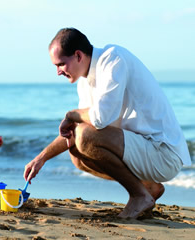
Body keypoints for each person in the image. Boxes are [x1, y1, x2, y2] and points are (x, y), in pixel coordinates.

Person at [23, 28, 191, 219]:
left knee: (86, 136)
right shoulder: (84, 82)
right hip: (142, 150)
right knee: (76, 153)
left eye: (61, 64)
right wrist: (41, 158)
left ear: (78, 55)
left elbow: (99, 118)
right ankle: (146, 188)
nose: (58, 72)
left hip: (163, 154)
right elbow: (76, 130)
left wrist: (71, 115)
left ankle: (139, 195)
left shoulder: (113, 59)